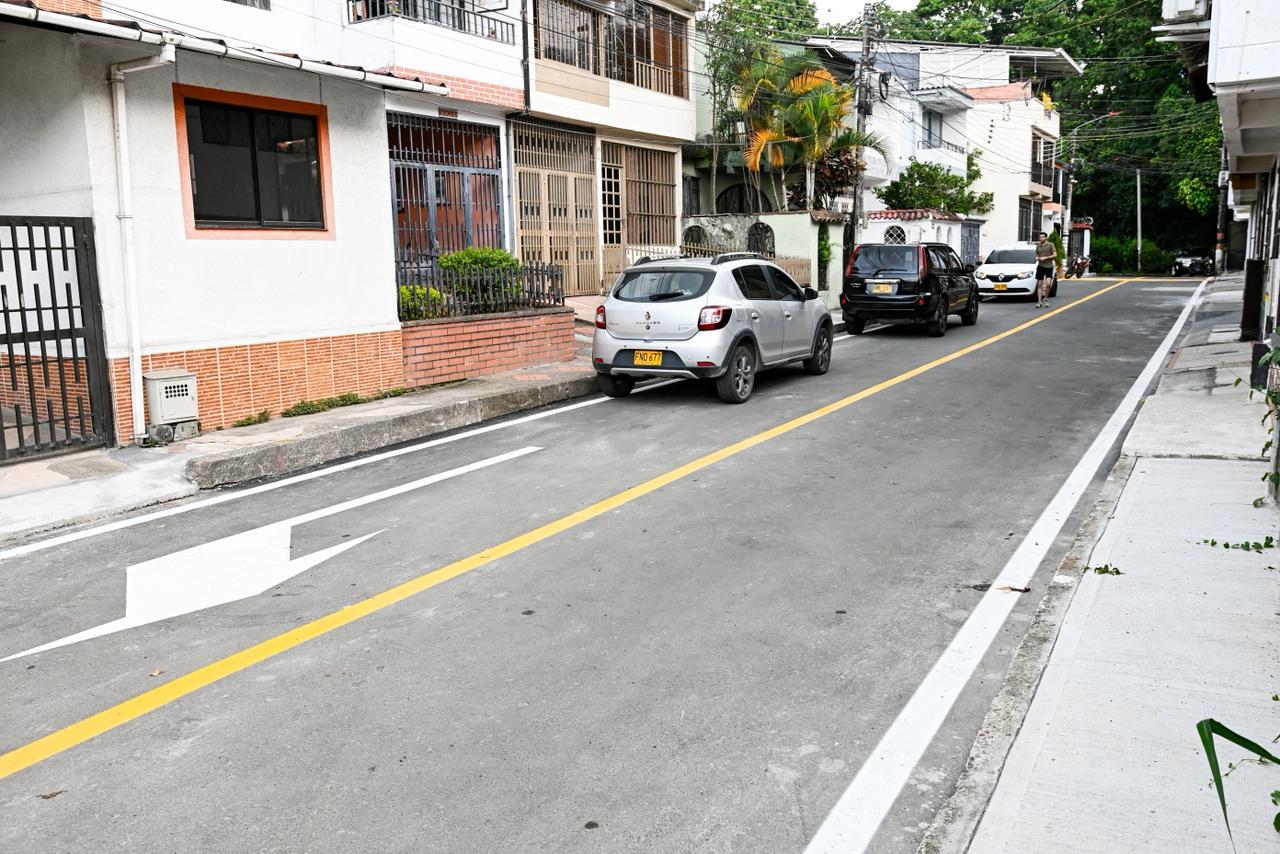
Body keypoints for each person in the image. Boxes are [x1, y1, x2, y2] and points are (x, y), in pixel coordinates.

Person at [1034, 231, 1057, 308]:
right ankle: (1039, 302)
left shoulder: (1051, 245)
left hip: (1049, 267)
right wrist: (1037, 257)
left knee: (1048, 284)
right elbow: (1037, 254)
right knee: (1039, 285)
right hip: (1040, 266)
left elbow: (1055, 255)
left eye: (1042, 237)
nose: (1041, 238)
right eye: (1040, 237)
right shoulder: (1038, 246)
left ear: (1046, 238)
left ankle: (1046, 298)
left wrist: (1046, 258)